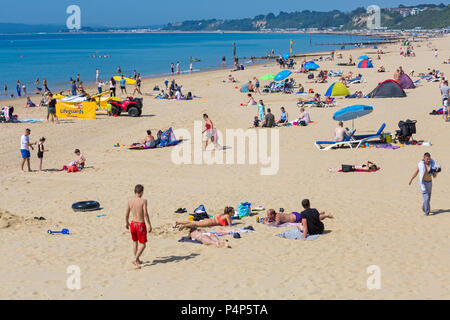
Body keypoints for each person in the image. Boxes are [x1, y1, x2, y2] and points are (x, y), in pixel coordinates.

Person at [125, 184, 152, 268]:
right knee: (143, 244)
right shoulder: (143, 201)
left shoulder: (130, 201)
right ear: (141, 192)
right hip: (140, 225)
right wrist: (149, 225)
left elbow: (126, 214)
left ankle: (137, 260)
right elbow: (145, 214)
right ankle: (135, 259)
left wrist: (126, 223)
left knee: (135, 242)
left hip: (133, 224)